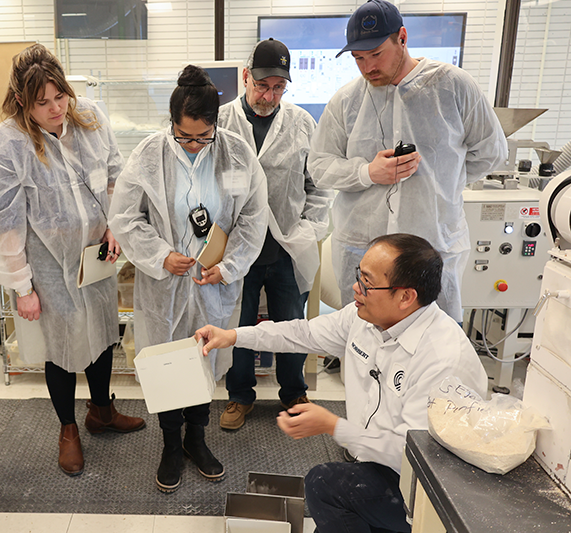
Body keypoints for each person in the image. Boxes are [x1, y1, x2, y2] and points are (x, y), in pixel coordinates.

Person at [195, 234, 488, 532]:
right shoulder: (365, 319)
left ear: (405, 297)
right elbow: (303, 334)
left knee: (325, 484)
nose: (355, 288)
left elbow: (411, 455)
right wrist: (234, 336)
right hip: (381, 462)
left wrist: (333, 426)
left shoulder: (442, 358)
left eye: (367, 283)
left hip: (432, 491)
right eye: (358, 276)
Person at [0, 43, 145, 477]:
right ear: (22, 101)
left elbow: (114, 175)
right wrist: (22, 286)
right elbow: (4, 221)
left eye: (60, 96)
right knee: (63, 346)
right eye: (42, 102)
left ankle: (102, 410)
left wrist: (114, 225)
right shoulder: (8, 143)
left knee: (104, 332)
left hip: (96, 253)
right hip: (48, 263)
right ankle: (68, 428)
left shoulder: (89, 117)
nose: (56, 109)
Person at [109, 65, 268, 493]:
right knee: (168, 363)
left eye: (203, 137)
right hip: (165, 284)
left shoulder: (236, 152)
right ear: (172, 124)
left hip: (214, 282)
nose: (194, 145)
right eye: (185, 136)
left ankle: (197, 439)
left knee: (203, 359)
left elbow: (253, 217)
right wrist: (161, 255)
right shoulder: (149, 154)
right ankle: (169, 446)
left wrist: (229, 266)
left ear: (216, 125)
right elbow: (124, 216)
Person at [309, 0, 507, 323]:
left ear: (402, 37)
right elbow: (318, 165)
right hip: (363, 249)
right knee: (366, 348)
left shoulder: (453, 87)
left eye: (376, 54)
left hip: (431, 247)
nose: (368, 67)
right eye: (358, 58)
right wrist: (366, 172)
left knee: (434, 353)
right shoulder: (347, 101)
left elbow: (492, 151)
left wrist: (440, 179)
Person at [218, 38, 331, 430]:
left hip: (286, 248)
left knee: (292, 327)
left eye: (278, 87)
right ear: (246, 77)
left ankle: (294, 392)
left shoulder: (302, 123)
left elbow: (319, 185)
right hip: (235, 250)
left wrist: (308, 230)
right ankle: (239, 396)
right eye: (262, 85)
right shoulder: (220, 123)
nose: (269, 95)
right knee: (241, 326)